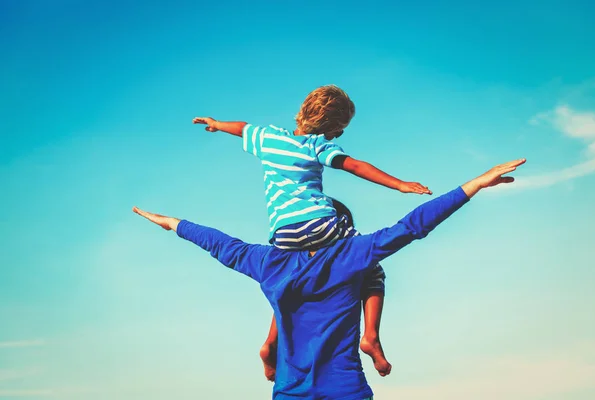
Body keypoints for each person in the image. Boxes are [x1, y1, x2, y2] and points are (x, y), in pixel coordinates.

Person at [133, 159, 525, 399]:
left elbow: (221, 245)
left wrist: (172, 223)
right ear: (337, 225)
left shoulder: (268, 262)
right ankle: (370, 337)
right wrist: (473, 185)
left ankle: (280, 349)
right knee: (373, 273)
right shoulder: (352, 255)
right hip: (344, 386)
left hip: (290, 388)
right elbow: (413, 226)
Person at [192, 85, 431, 376]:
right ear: (330, 128)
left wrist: (216, 125)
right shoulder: (317, 145)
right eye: (339, 130)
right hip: (320, 225)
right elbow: (355, 166)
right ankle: (370, 337)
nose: (338, 136)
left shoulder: (268, 138)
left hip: (282, 234)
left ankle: (271, 343)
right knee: (371, 265)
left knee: (287, 280)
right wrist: (400, 184)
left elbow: (242, 128)